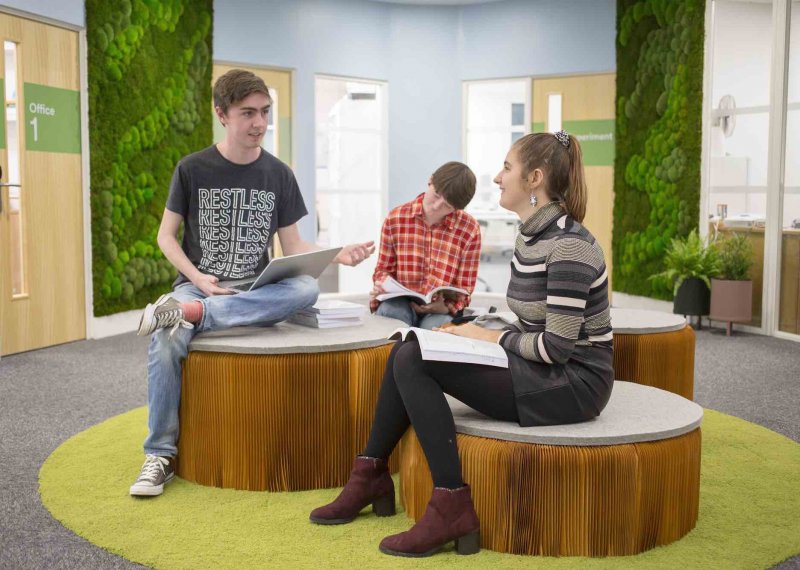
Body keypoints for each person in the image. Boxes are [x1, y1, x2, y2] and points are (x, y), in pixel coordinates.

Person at [309, 131, 613, 558]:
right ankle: (371, 473)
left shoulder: (568, 247)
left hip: (573, 384)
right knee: (412, 343)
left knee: (416, 358)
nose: (496, 178)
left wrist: (487, 336)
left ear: (535, 179)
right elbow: (531, 321)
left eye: (507, 168)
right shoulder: (531, 235)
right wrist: (475, 331)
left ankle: (450, 502)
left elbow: (557, 348)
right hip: (544, 369)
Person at [129, 69, 374, 497]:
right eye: (248, 113)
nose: (260, 123)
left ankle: (196, 316)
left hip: (257, 289)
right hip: (198, 285)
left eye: (265, 112)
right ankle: (160, 456)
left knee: (307, 289)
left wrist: (335, 253)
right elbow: (165, 237)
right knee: (167, 339)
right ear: (221, 114)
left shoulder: (278, 174)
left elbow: (292, 244)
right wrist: (197, 279)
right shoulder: (191, 169)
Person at [370, 162, 481, 330]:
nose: (437, 206)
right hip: (399, 302)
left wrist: (447, 307)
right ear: (430, 181)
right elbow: (383, 270)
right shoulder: (396, 218)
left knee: (435, 329)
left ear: (457, 208)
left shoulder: (469, 229)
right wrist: (381, 285)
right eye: (436, 195)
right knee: (392, 315)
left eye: (447, 205)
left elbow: (464, 289)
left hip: (440, 310)